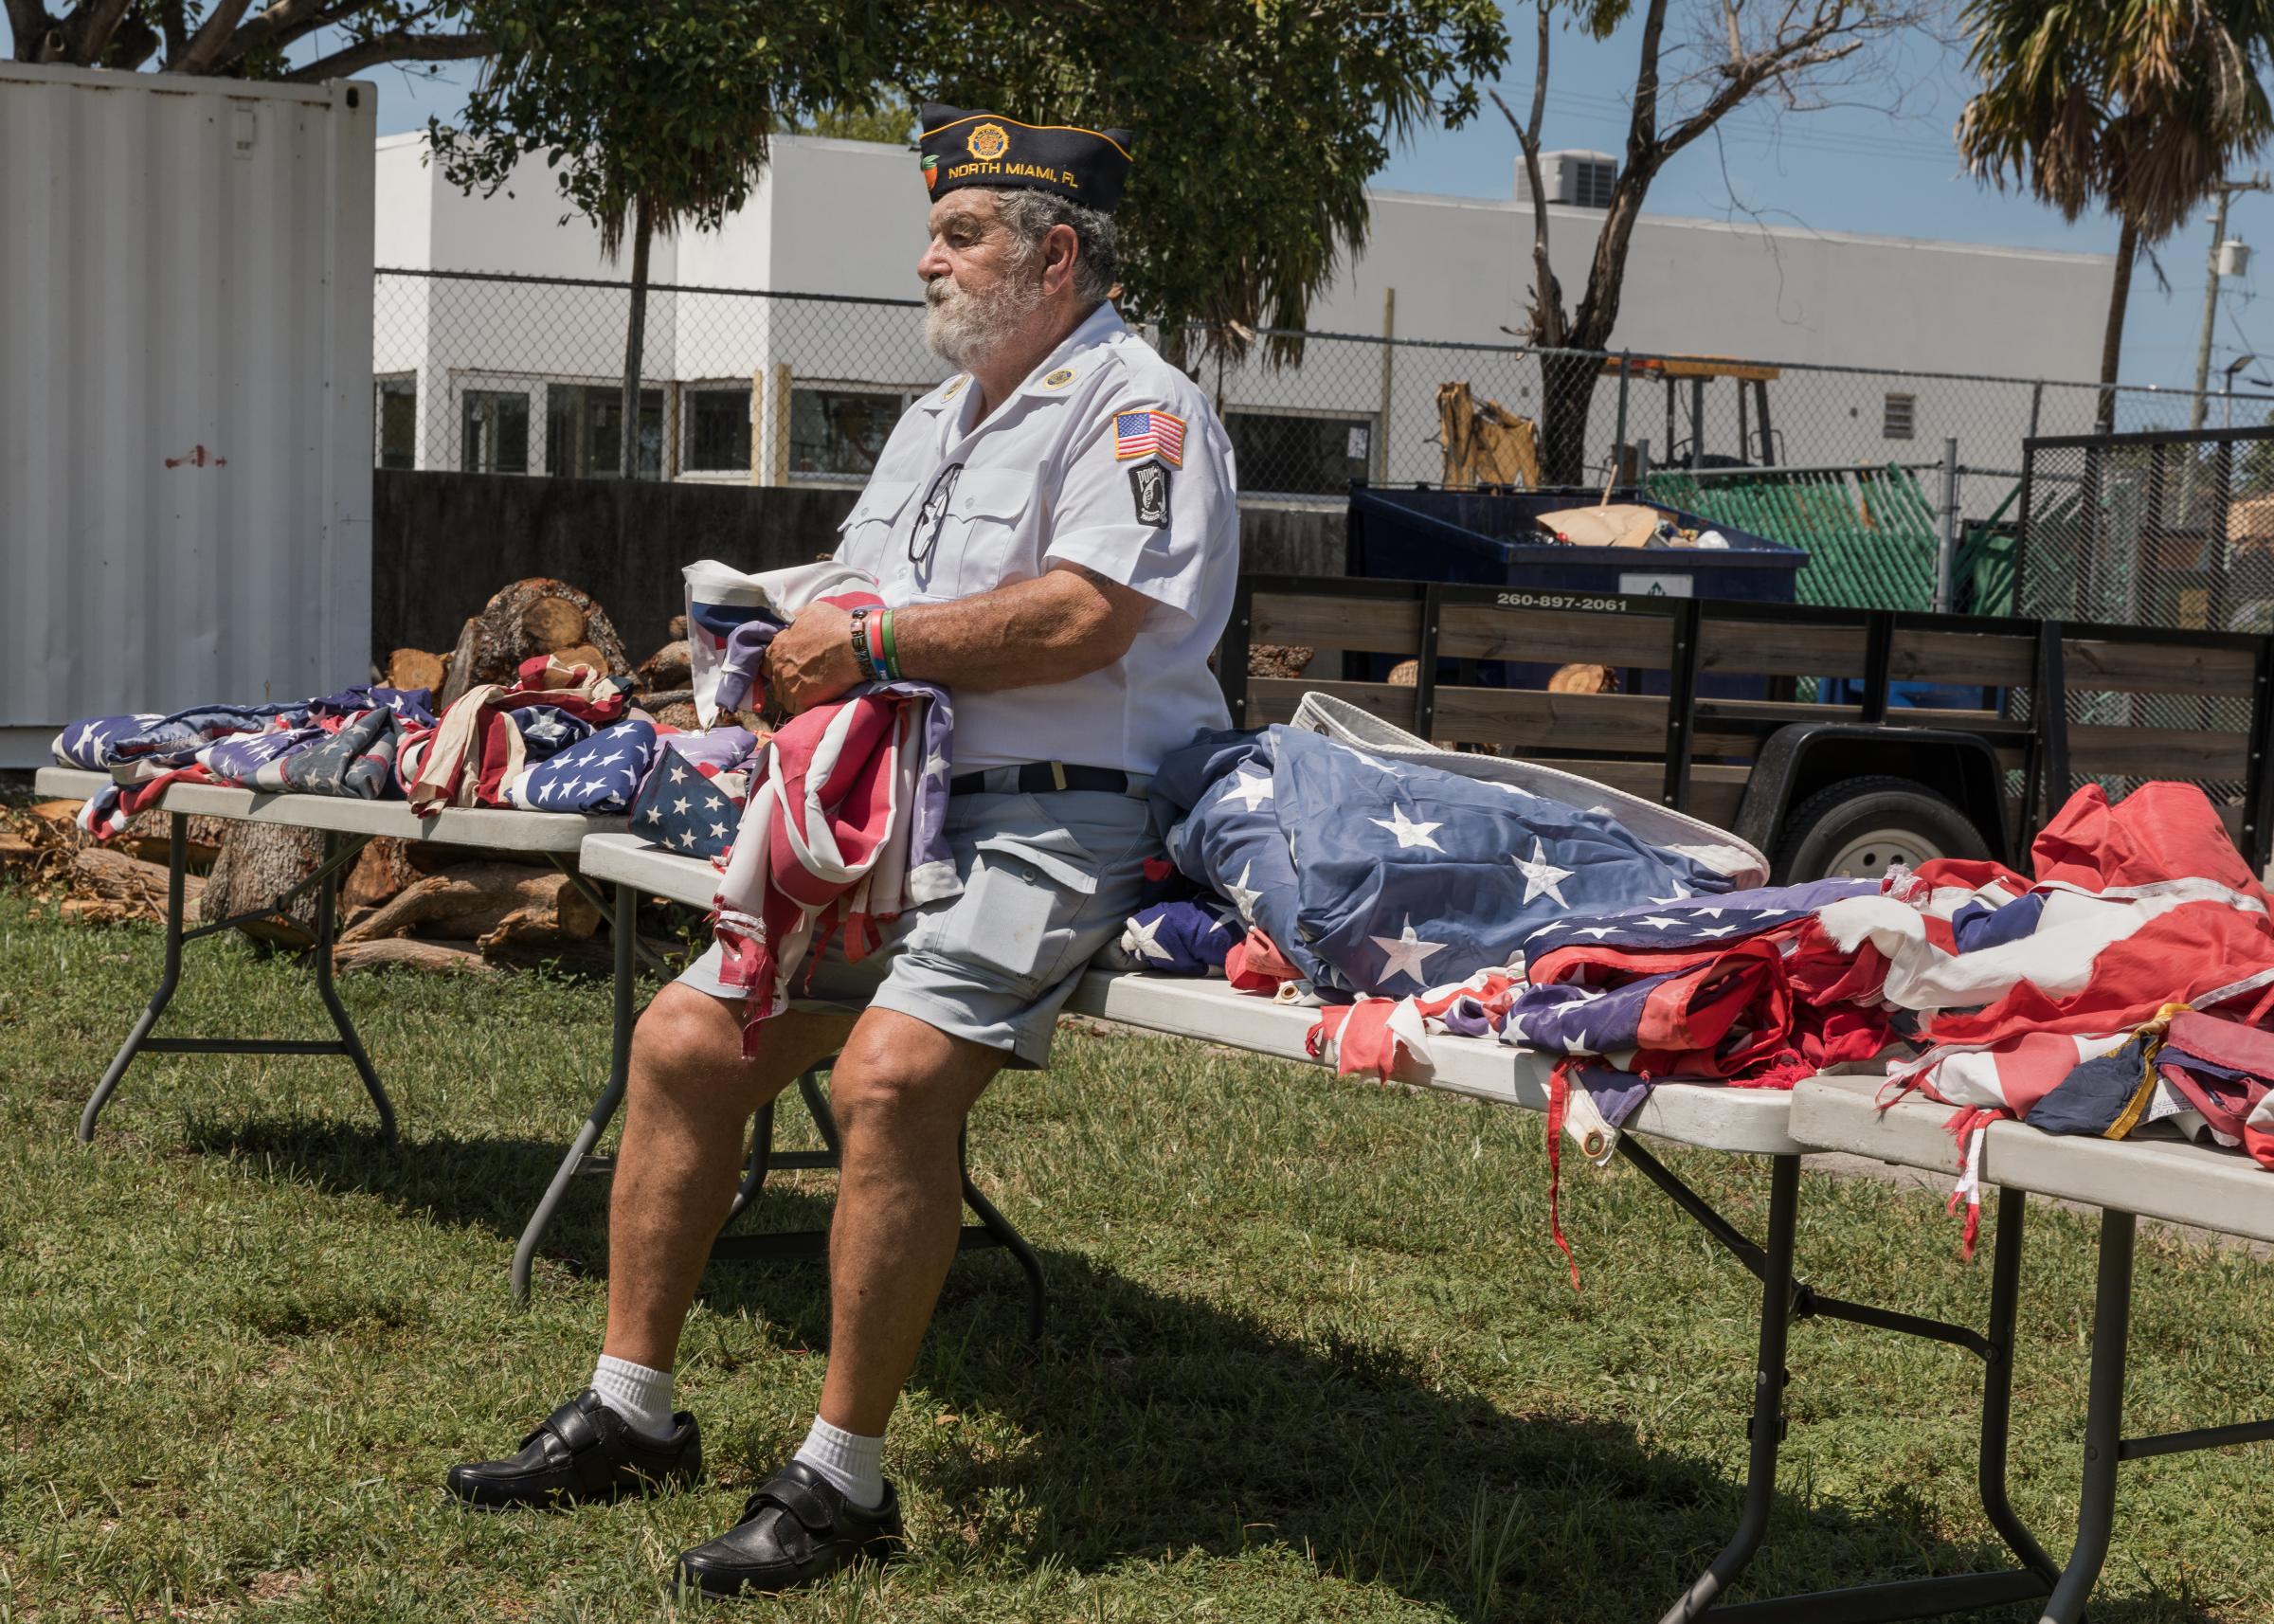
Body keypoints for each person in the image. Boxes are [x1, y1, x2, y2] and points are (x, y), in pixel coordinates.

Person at [445, 103, 1239, 1596]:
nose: (927, 263)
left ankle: (843, 1482)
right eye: (934, 234)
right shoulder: (941, 416)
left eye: (960, 236)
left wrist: (866, 635)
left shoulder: (1142, 407)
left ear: (1053, 255)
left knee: (888, 1075)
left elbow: (1085, 616)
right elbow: (873, 583)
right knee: (685, 1040)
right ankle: (632, 1409)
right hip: (895, 793)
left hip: (1068, 807)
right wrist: (770, 617)